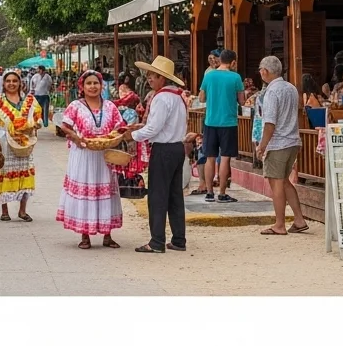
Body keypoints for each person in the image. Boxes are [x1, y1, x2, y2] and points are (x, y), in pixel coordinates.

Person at [118, 56, 190, 253]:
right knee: (175, 196)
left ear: (163, 78)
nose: (149, 78)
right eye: (149, 74)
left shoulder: (160, 98)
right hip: (177, 148)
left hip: (164, 149)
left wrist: (132, 135)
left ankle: (157, 241)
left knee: (158, 195)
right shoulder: (178, 97)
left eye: (154, 75)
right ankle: (178, 239)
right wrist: (142, 128)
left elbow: (154, 129)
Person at [56, 70, 124, 249]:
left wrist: (114, 137)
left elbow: (120, 128)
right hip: (83, 155)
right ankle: (84, 235)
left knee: (106, 193)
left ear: (102, 86)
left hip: (104, 156)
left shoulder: (110, 106)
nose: (93, 87)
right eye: (89, 84)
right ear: (82, 87)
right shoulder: (76, 106)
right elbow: (65, 127)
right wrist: (77, 139)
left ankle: (107, 235)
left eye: (96, 83)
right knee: (85, 194)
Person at [254, 56, 309, 236]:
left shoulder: (271, 92)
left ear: (265, 71)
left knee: (276, 183)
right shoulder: (291, 88)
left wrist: (262, 145)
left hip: (277, 142)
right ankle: (299, 220)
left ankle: (279, 224)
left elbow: (270, 123)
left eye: (261, 69)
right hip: (292, 140)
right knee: (285, 181)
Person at [0, 70, 41, 222]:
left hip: (25, 141)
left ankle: (22, 211)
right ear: (3, 83)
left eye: (14, 81)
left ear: (20, 83)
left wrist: (33, 129)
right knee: (4, 172)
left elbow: (37, 119)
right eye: (8, 81)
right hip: (4, 141)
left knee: (25, 171)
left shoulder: (30, 100)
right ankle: (5, 210)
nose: (11, 84)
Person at [196, 49, 244, 203]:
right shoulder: (236, 77)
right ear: (233, 62)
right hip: (229, 122)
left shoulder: (209, 76)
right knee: (225, 158)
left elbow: (201, 98)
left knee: (210, 157)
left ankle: (209, 193)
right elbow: (242, 101)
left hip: (210, 121)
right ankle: (222, 193)